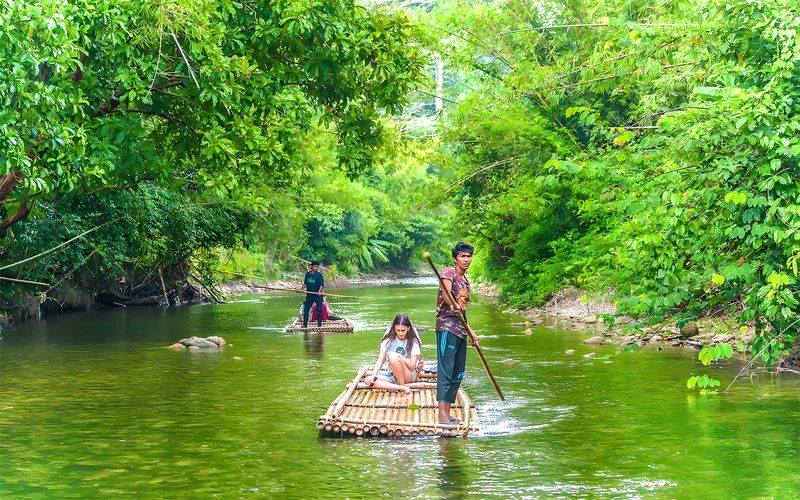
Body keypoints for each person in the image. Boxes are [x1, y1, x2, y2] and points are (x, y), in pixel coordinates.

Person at [435, 242, 478, 426]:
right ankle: (442, 415)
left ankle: (448, 413)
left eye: (469, 256)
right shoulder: (448, 273)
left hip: (461, 330)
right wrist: (451, 303)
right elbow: (446, 294)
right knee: (446, 370)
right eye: (463, 256)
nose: (466, 259)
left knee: (457, 372)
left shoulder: (466, 281)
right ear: (455, 258)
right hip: (447, 327)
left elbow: (463, 310)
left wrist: (471, 331)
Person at [364, 313, 422, 393]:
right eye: (398, 330)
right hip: (392, 373)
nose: (400, 333)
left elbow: (412, 366)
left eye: (403, 330)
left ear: (408, 328)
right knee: (367, 380)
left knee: (393, 357)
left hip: (408, 374)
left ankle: (402, 385)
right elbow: (380, 360)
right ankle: (400, 387)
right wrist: (374, 375)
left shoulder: (413, 341)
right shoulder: (388, 340)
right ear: (394, 328)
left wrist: (399, 357)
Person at [299, 261, 325, 328]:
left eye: (317, 267)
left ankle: (319, 325)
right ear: (311, 266)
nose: (316, 268)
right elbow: (305, 284)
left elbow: (321, 284)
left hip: (318, 295)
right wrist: (300, 289)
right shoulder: (307, 274)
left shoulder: (319, 275)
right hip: (309, 295)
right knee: (306, 310)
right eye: (315, 266)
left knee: (319, 310)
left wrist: (319, 291)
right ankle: (305, 324)